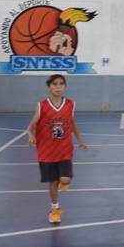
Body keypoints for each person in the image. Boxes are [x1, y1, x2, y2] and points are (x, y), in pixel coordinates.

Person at [25, 74, 89, 225]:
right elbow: (31, 126)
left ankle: (64, 181)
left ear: (65, 87)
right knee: (53, 182)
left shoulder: (70, 104)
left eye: (61, 84)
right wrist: (30, 134)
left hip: (64, 149)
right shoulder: (42, 105)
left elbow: (72, 123)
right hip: (46, 151)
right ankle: (55, 209)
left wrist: (79, 139)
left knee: (65, 179)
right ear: (49, 87)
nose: (58, 86)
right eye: (55, 84)